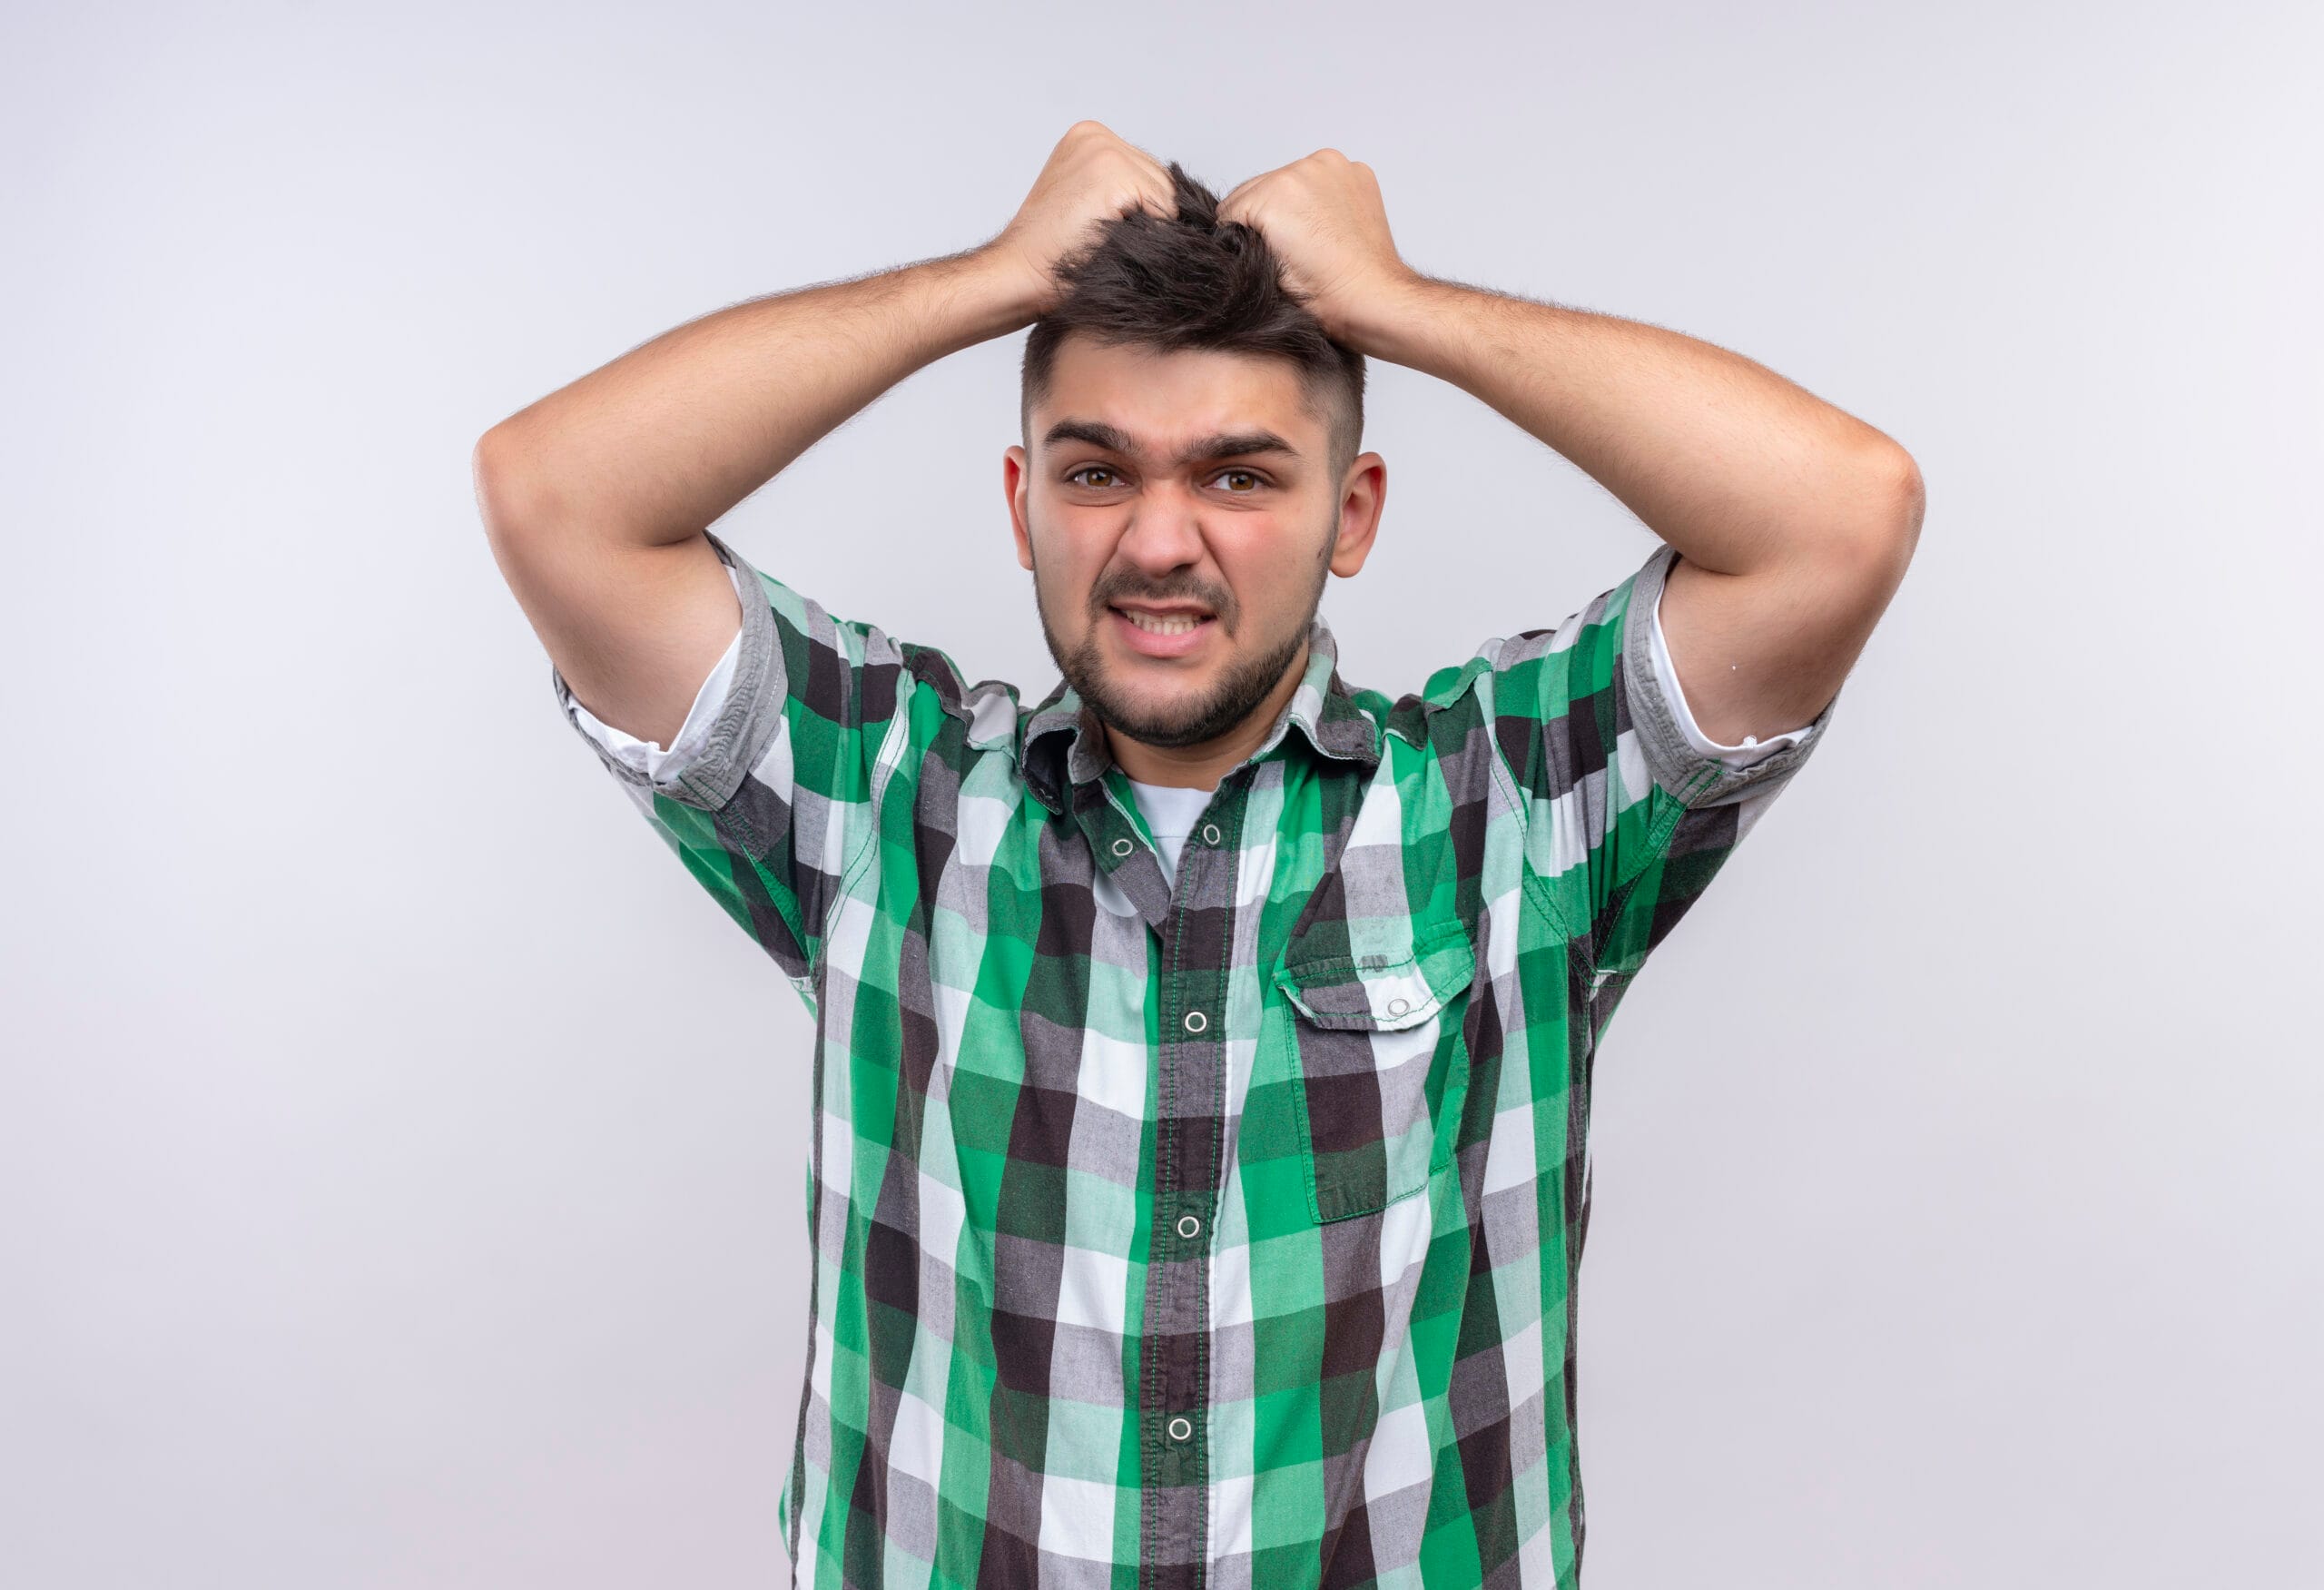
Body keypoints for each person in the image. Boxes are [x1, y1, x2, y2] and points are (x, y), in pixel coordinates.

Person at [473, 121, 1921, 1590]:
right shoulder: (885, 796)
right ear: (1023, 503)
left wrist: (1403, 305)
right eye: (1098, 472)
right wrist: (990, 277)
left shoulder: (1512, 806)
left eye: (1239, 478)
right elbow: (556, 497)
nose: (1161, 543)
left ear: (1351, 512)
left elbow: (1840, 517)